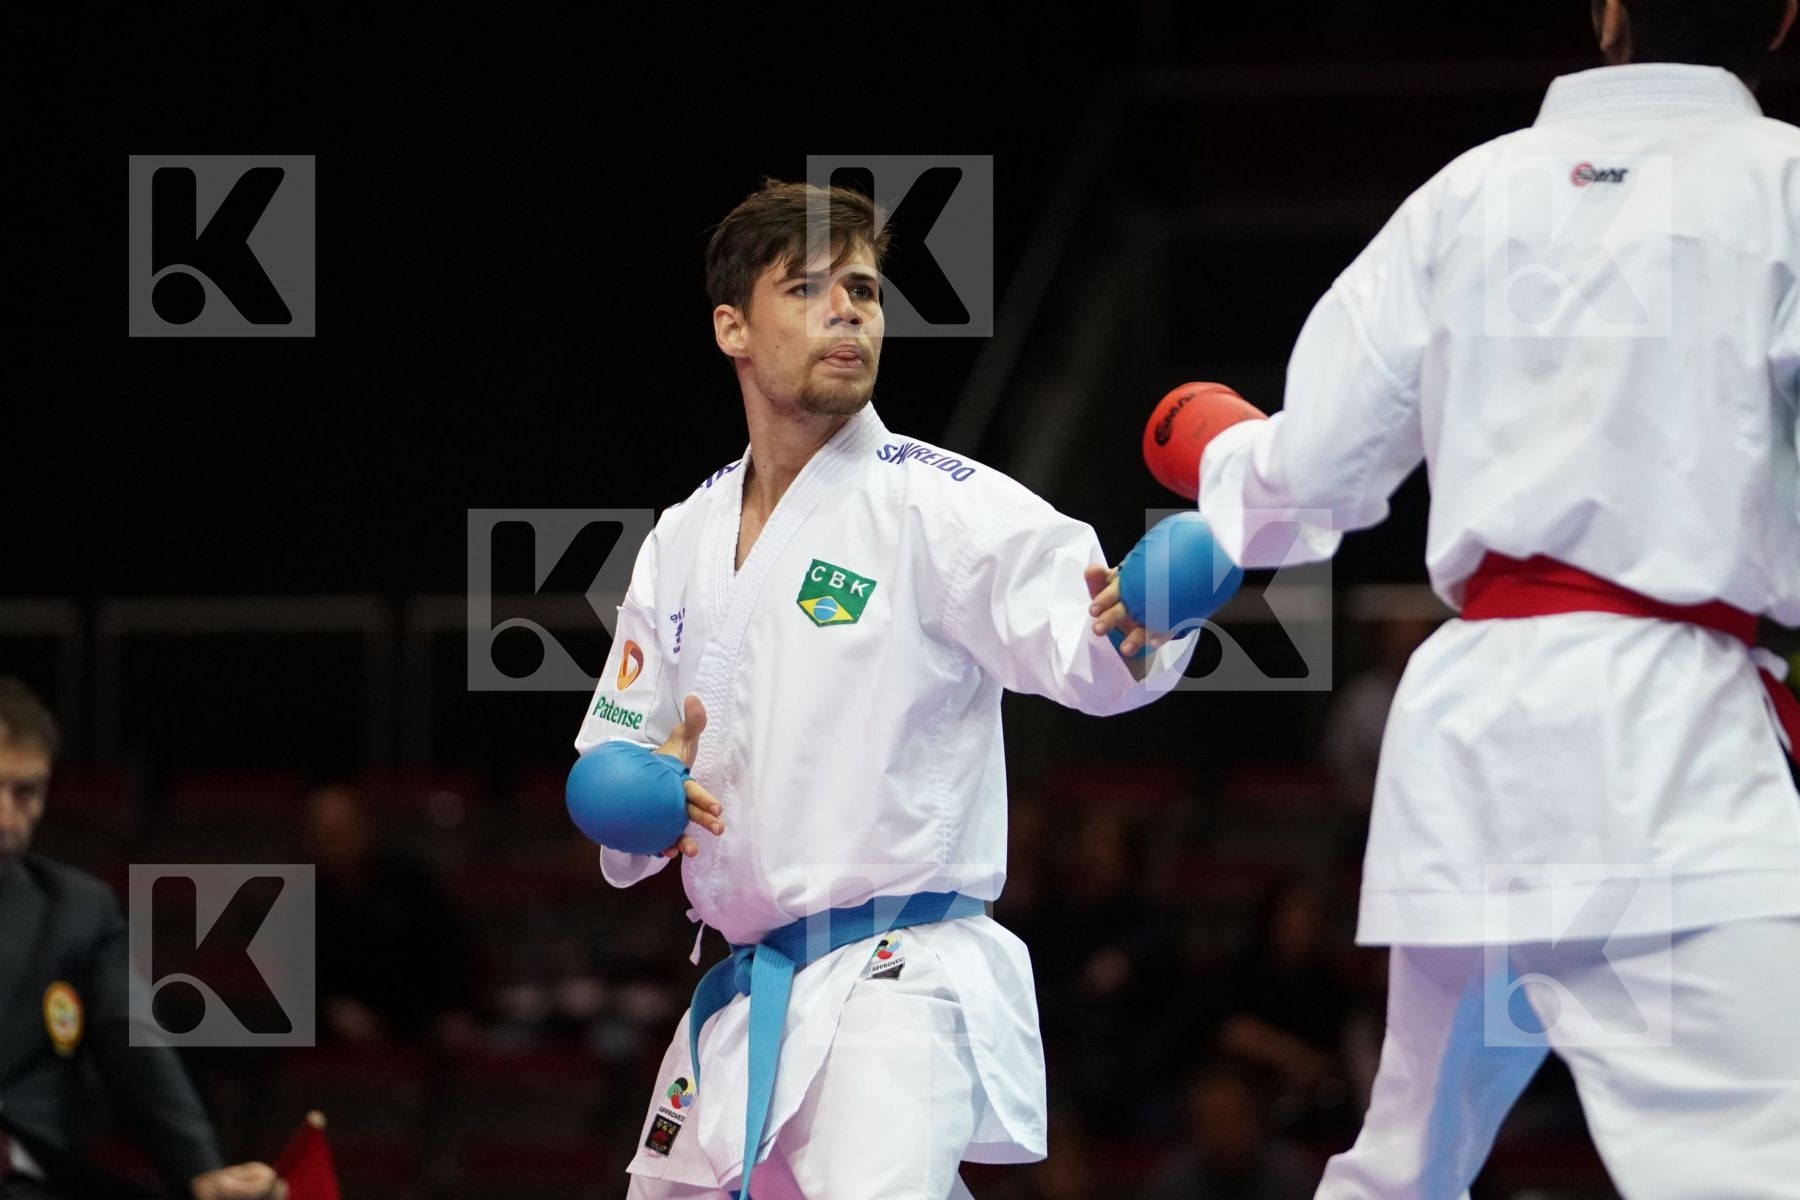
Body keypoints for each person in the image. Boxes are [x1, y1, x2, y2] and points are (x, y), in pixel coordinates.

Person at [1095, 1, 1800, 1195]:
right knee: (1753, 1162)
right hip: (1667, 747)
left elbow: (1312, 470)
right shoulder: (1781, 184)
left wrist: (1227, 463)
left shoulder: (1466, 195)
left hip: (1474, 736)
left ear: (1606, 11)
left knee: (1406, 1165)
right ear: (1783, 19)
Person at [573, 179, 1198, 1199]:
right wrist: (638, 802)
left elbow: (1087, 653)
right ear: (732, 326)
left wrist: (1145, 623)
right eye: (809, 288)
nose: (848, 310)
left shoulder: (942, 506)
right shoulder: (681, 538)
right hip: (743, 995)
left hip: (895, 986)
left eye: (863, 289)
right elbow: (620, 773)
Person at [0, 678, 287, 1200]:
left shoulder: (78, 912)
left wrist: (201, 1172)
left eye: (26, 792)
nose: (6, 817)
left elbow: (139, 1045)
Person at [300, 785, 481, 1054]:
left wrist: (455, 1008)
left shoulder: (409, 881)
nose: (337, 845)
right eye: (326, 835)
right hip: (339, 1038)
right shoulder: (302, 898)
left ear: (364, 828)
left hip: (420, 1024)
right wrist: (330, 1008)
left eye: (343, 831)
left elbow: (452, 947)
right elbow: (296, 980)